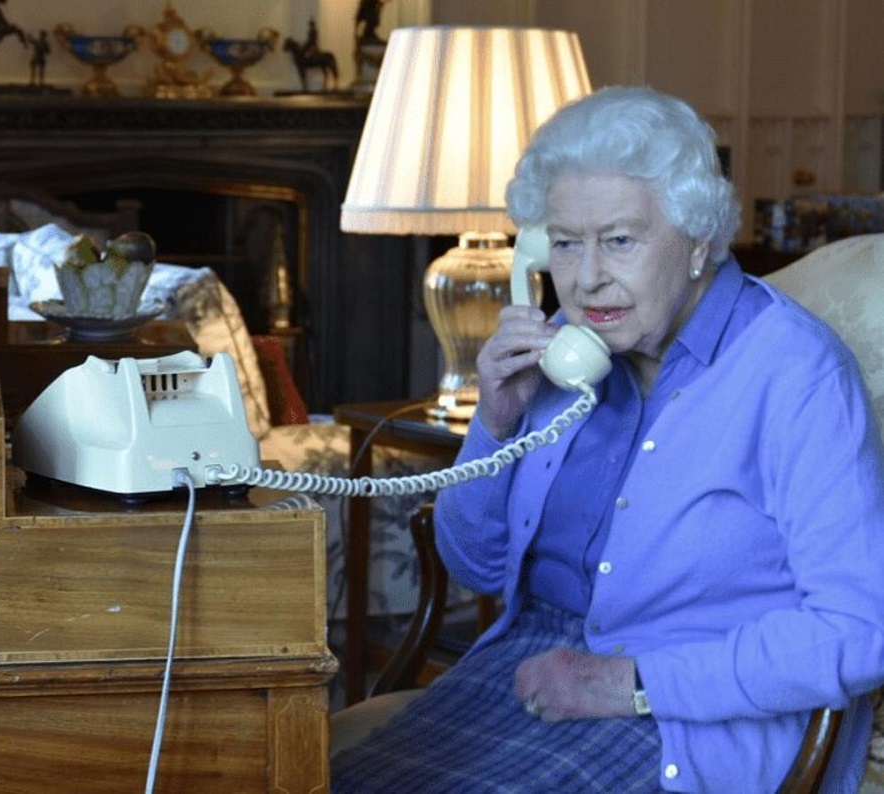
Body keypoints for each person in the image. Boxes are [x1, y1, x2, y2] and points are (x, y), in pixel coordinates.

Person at [331, 86, 884, 792]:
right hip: (528, 671)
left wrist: (628, 682)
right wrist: (493, 421)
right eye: (566, 242)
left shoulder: (795, 373)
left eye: (619, 240)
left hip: (685, 712)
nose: (588, 277)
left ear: (696, 241)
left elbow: (860, 629)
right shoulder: (567, 350)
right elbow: (473, 563)